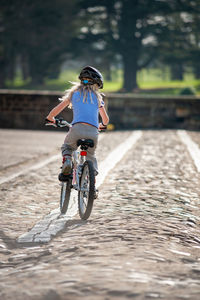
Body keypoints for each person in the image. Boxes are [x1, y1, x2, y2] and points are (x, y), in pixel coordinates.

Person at [46, 66, 109, 176]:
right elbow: (106, 120)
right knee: (90, 154)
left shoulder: (74, 94)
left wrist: (51, 118)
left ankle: (67, 161)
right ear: (97, 85)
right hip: (93, 132)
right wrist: (102, 125)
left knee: (67, 147)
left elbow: (56, 110)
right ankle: (91, 178)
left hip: (76, 129)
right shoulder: (98, 98)